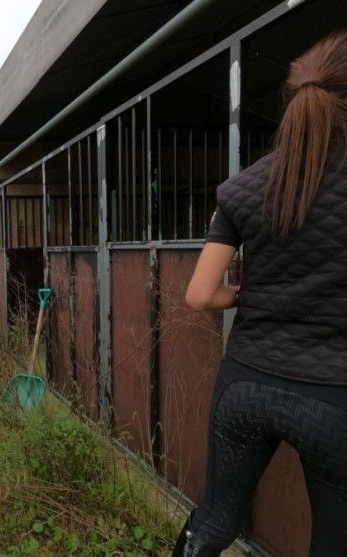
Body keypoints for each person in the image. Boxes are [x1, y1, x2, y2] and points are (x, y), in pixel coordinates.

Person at [175, 33, 347, 556]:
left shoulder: (244, 187)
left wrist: (250, 295)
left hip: (244, 383)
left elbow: (201, 295)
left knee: (214, 519)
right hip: (333, 397)